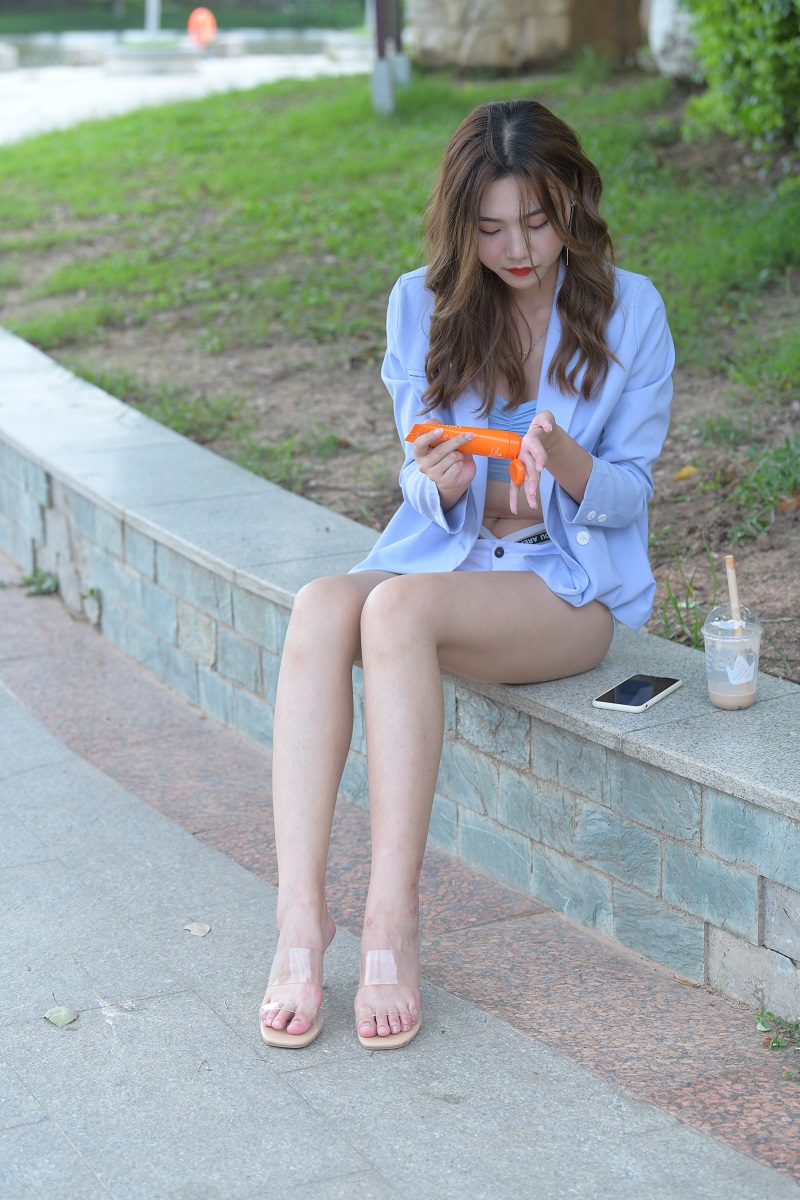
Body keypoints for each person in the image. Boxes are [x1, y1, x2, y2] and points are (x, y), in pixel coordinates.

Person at [259, 98, 674, 1050]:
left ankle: (392, 921)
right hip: (446, 556)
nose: (517, 249)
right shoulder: (423, 302)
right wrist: (439, 480)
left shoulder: (630, 309)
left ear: (571, 203)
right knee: (321, 605)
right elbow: (416, 463)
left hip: (565, 585)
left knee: (396, 613)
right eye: (490, 229)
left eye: (537, 220)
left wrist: (563, 460)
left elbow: (628, 493)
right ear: (460, 226)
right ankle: (300, 919)